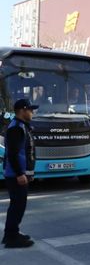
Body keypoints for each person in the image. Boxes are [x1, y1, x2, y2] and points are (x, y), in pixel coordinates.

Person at [2, 99, 38, 248]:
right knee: (17, 206)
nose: (32, 112)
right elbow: (13, 153)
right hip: (15, 175)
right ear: (22, 111)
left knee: (18, 206)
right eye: (30, 110)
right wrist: (19, 174)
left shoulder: (22, 126)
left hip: (20, 173)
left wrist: (28, 172)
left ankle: (11, 233)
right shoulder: (16, 128)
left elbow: (26, 152)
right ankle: (11, 237)